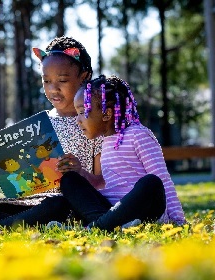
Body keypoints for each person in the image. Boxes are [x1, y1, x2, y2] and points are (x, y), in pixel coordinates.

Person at [0, 36, 104, 228]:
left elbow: (104, 182)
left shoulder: (95, 123)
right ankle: (10, 225)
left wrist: (80, 172)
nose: (53, 89)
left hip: (73, 204)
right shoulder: (41, 123)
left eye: (62, 80)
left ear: (83, 77)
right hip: (36, 203)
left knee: (56, 204)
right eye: (46, 81)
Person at [56, 74, 186, 231]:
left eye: (83, 112)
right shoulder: (105, 142)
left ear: (107, 114)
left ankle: (95, 227)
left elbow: (163, 180)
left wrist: (178, 220)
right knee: (70, 181)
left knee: (151, 182)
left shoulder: (138, 135)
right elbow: (104, 184)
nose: (78, 120)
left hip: (143, 211)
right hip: (112, 211)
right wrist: (80, 172)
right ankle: (108, 225)